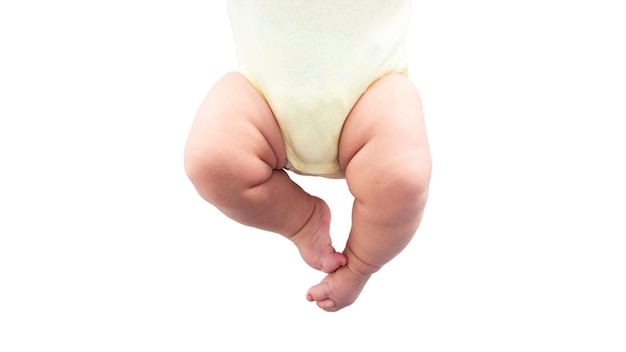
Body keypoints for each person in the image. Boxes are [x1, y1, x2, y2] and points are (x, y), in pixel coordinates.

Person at [184, 0, 431, 312]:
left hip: (371, 96)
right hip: (263, 98)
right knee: (211, 159)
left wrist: (360, 267)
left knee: (404, 178)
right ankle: (301, 221)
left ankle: (359, 266)